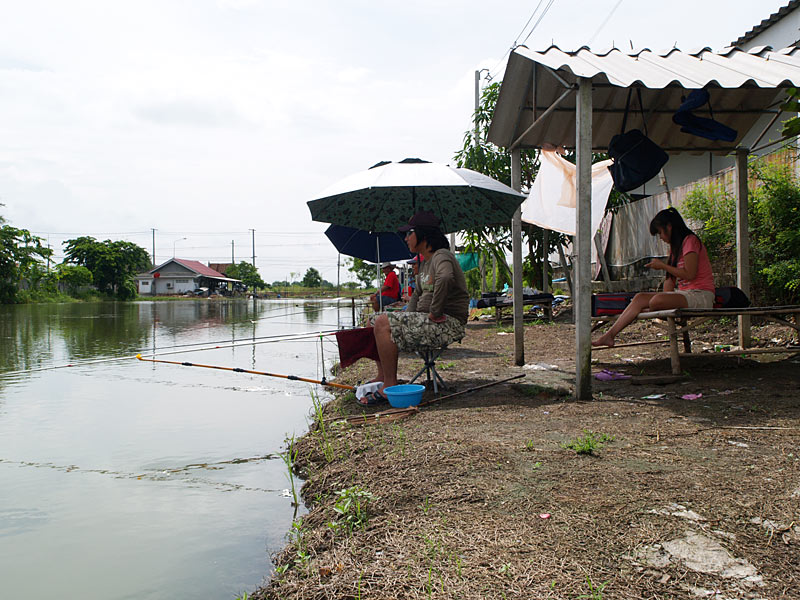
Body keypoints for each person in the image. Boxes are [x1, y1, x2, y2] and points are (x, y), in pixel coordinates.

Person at [360, 210, 469, 404]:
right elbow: (415, 298)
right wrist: (402, 319)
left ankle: (389, 387)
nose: (406, 237)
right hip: (426, 320)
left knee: (383, 321)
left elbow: (445, 277)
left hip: (447, 321)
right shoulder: (425, 264)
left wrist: (435, 311)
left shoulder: (441, 256)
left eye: (409, 233)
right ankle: (382, 376)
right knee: (374, 320)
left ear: (423, 235)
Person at [592, 207, 715, 348]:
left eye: (660, 233)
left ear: (669, 227)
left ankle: (640, 311)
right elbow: (670, 281)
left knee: (657, 300)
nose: (661, 238)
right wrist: (664, 296)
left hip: (700, 295)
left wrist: (663, 266)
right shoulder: (675, 248)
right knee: (640, 298)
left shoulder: (690, 241)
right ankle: (609, 335)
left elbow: (690, 274)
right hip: (685, 295)